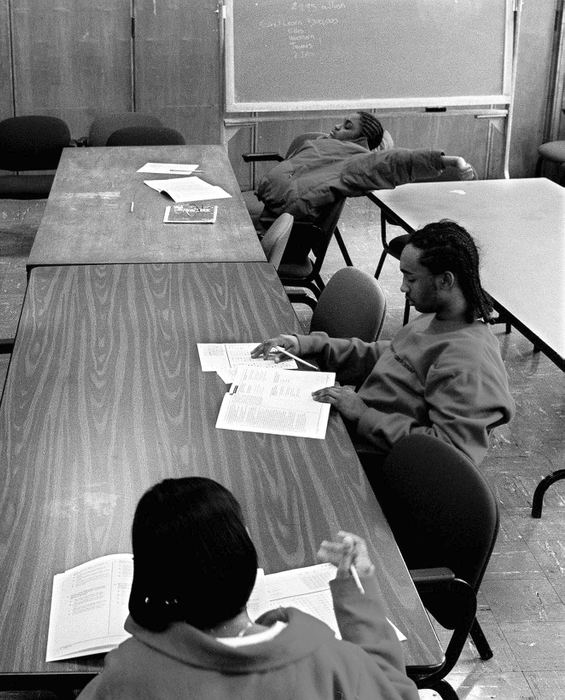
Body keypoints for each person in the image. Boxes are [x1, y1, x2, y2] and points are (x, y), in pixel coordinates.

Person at [77, 477, 418, 699]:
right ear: (241, 554)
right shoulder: (327, 660)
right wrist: (357, 591)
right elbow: (395, 692)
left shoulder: (125, 674)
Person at [251, 220, 514, 468]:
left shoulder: (471, 362)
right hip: (355, 431)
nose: (402, 287)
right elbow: (387, 355)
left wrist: (363, 414)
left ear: (445, 280)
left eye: (411, 279)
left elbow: (450, 456)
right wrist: (309, 345)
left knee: (265, 457)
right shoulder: (437, 318)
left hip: (376, 462)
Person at [253, 111, 476, 231]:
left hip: (283, 231)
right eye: (342, 122)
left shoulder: (356, 161)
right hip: (273, 217)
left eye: (347, 126)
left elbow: (393, 160)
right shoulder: (330, 146)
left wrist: (451, 161)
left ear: (361, 140)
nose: (337, 127)